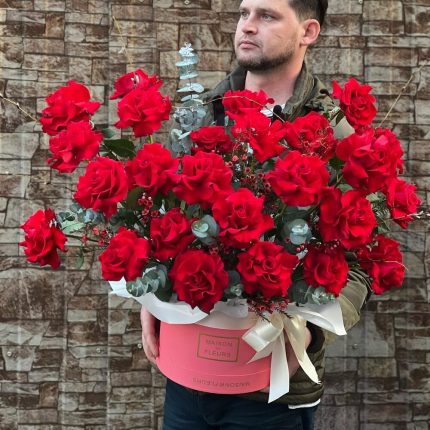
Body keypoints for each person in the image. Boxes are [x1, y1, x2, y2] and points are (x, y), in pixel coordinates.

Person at [141, 1, 371, 428]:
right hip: (186, 378)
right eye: (244, 13)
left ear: (308, 32)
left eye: (267, 16)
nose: (247, 26)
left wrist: (310, 330)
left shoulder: (332, 132)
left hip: (271, 391)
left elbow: (362, 262)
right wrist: (150, 299)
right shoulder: (202, 112)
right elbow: (162, 221)